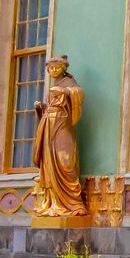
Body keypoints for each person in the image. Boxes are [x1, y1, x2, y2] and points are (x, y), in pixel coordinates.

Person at [30, 56, 87, 218]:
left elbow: (79, 94)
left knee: (65, 161)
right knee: (49, 163)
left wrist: (65, 92)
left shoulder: (69, 82)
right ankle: (53, 203)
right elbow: (51, 106)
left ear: (64, 68)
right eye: (50, 68)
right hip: (49, 124)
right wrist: (41, 107)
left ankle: (73, 203)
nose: (53, 70)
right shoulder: (53, 85)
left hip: (62, 124)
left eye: (57, 67)